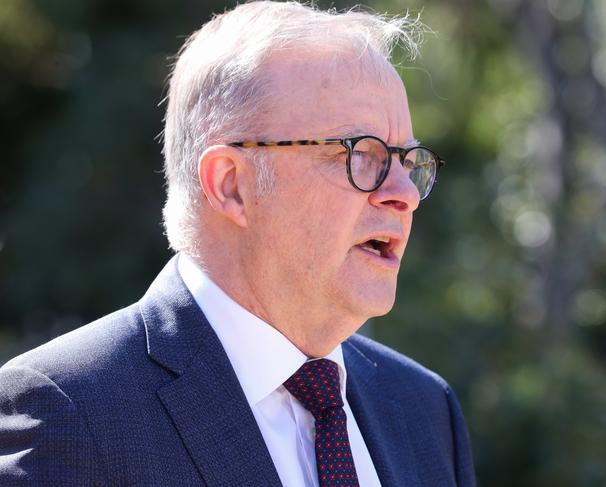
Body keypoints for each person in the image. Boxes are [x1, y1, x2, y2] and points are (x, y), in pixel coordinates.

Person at [0, 2, 475, 485]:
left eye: (408, 160)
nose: (405, 194)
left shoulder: (424, 410)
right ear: (231, 185)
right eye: (361, 154)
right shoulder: (70, 415)